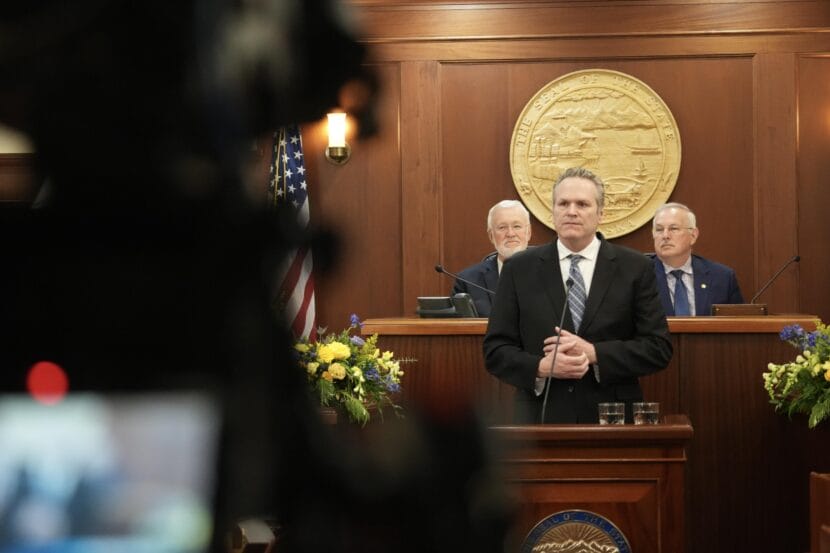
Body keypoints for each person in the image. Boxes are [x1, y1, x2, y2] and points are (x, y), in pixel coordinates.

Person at [483, 167, 672, 424]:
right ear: (552, 211)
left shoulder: (635, 267)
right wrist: (541, 367)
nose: (571, 211)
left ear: (601, 214)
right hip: (540, 417)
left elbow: (658, 348)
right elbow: (495, 351)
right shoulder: (519, 268)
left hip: (613, 417)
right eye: (563, 204)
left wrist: (594, 353)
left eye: (582, 204)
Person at [649, 202, 744, 316]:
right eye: (659, 230)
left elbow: (738, 323)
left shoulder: (722, 277)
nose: (665, 236)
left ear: (693, 235)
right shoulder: (640, 276)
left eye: (673, 228)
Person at [452, 200, 532, 316]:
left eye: (517, 226)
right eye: (502, 227)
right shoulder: (467, 281)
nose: (510, 234)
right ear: (491, 236)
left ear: (528, 232)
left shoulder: (550, 273)